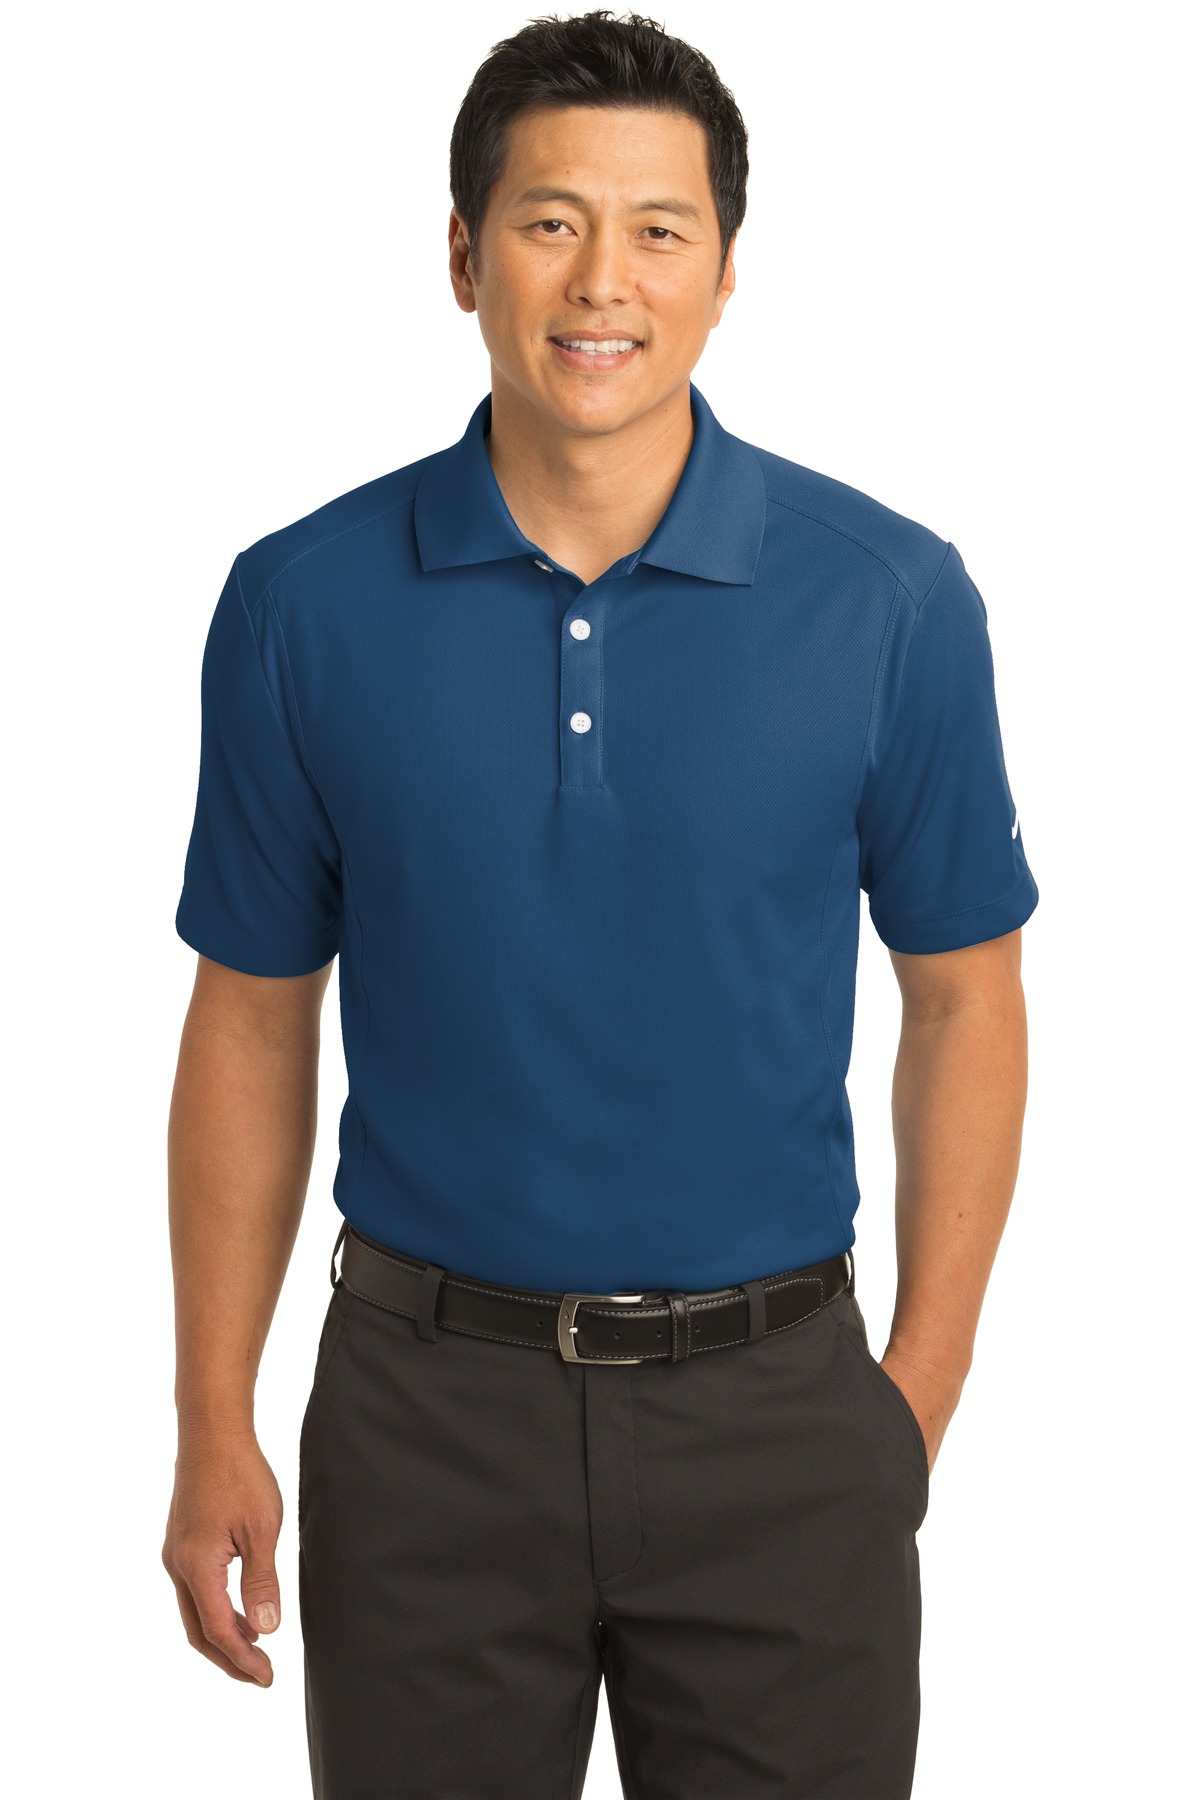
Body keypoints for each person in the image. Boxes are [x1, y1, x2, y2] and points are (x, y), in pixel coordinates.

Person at [162, 11, 1037, 1797]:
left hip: (780, 1415)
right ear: (462, 253)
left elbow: (965, 996)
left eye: (659, 229)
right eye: (550, 222)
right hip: (421, 1420)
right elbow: (250, 1018)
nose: (602, 282)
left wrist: (914, 1398)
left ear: (726, 270)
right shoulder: (299, 607)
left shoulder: (891, 602)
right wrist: (210, 1420)